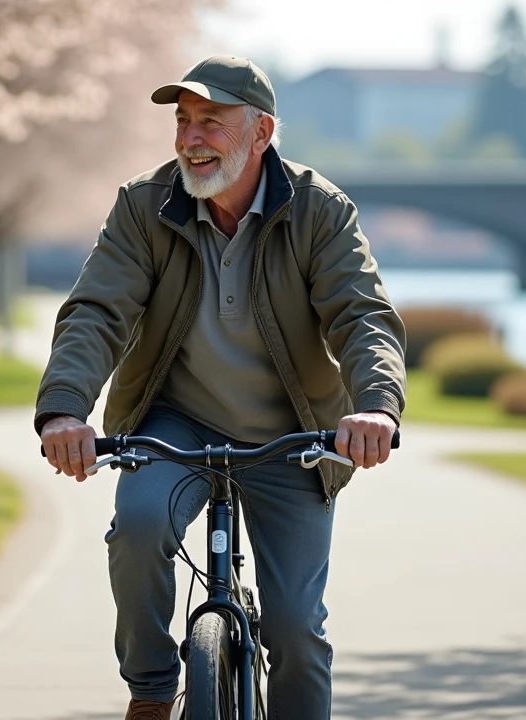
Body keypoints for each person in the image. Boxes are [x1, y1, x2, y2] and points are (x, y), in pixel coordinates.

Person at [36, 55, 406, 720]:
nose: (191, 138)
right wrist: (65, 410)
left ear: (261, 132)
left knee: (296, 630)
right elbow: (98, 310)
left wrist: (376, 407)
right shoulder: (144, 205)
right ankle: (152, 690)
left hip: (292, 436)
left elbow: (361, 316)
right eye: (183, 121)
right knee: (139, 527)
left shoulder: (319, 210)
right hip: (174, 423)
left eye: (211, 121)